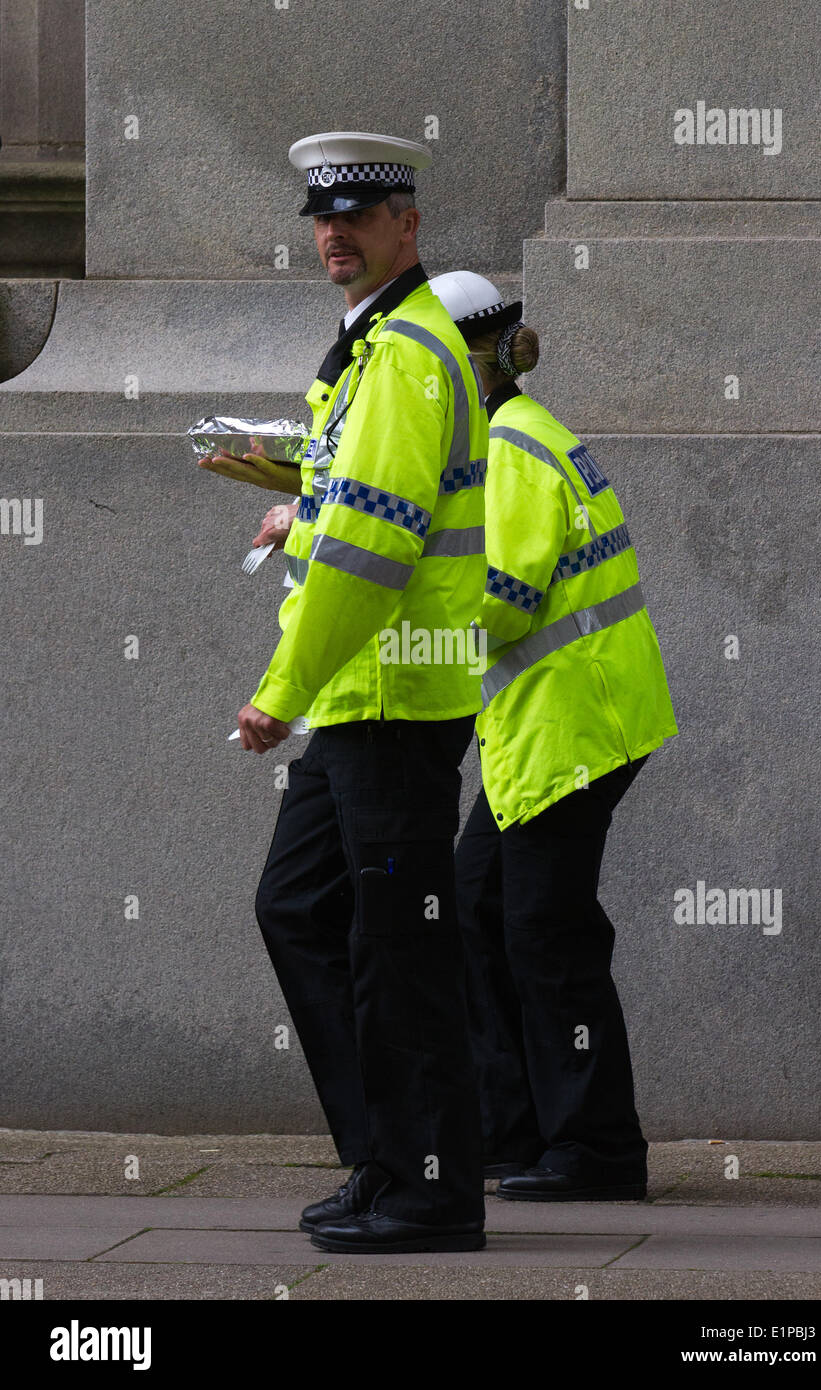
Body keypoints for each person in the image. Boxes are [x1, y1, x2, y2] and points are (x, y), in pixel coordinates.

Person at [238, 135, 490, 1253]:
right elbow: (359, 503)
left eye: (360, 214)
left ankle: (430, 1190)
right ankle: (384, 1156)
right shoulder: (369, 348)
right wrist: (293, 493)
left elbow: (374, 553)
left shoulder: (402, 355)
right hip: (359, 700)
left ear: (408, 225)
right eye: (321, 217)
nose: (333, 234)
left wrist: (279, 690)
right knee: (300, 910)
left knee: (402, 952)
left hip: (388, 695)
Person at [428, 271, 679, 1201]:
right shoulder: (509, 440)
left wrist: (391, 603)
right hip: (550, 725)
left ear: (467, 364)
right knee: (481, 905)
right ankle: (517, 1129)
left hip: (574, 723)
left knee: (546, 929)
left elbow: (503, 601)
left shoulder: (509, 451)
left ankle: (597, 1149)